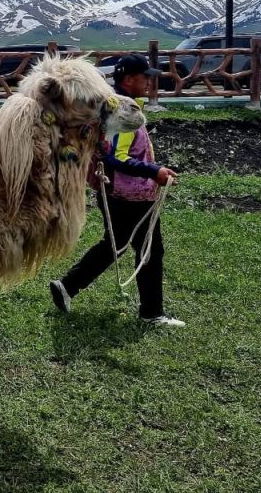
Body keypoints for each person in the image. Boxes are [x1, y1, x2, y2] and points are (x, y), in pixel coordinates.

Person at [49, 54, 185, 327]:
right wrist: (153, 171)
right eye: (145, 77)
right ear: (129, 79)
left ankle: (67, 286)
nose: (149, 82)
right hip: (128, 194)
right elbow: (115, 157)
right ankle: (152, 313)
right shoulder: (121, 111)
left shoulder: (114, 106)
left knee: (117, 244)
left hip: (121, 192)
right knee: (148, 249)